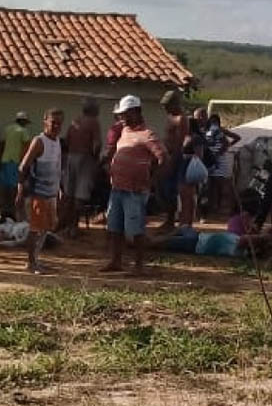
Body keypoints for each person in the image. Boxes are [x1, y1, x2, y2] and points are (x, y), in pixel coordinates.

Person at [102, 95, 165, 274]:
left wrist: (152, 181)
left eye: (124, 114)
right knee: (114, 227)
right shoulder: (124, 132)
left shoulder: (147, 135)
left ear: (135, 112)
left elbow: (162, 158)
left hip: (134, 191)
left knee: (136, 230)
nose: (121, 118)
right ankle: (116, 261)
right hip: (118, 188)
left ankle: (138, 265)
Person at [17, 109, 64, 274]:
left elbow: (57, 167)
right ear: (45, 121)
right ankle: (30, 263)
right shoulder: (39, 141)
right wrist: (20, 190)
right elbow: (23, 167)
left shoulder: (57, 141)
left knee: (46, 228)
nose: (56, 126)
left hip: (51, 194)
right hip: (38, 194)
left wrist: (59, 188)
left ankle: (36, 259)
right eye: (53, 122)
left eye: (59, 123)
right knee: (35, 229)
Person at [63, 100, 102, 237]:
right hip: (85, 158)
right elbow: (97, 144)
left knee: (69, 194)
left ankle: (67, 226)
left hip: (70, 157)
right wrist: (95, 159)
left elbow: (66, 141)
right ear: (93, 110)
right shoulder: (93, 122)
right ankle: (74, 228)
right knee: (80, 195)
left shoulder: (75, 121)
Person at [160, 90, 191, 231]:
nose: (165, 108)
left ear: (175, 104)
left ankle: (172, 221)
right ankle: (169, 219)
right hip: (167, 155)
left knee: (172, 190)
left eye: (168, 105)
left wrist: (172, 161)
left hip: (175, 157)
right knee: (166, 190)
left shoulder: (181, 119)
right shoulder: (169, 117)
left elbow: (180, 142)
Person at [204, 113, 242, 216]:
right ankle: (215, 209)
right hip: (213, 160)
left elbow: (233, 139)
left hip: (218, 160)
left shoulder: (216, 129)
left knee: (223, 184)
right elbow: (235, 138)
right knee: (214, 185)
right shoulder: (211, 130)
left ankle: (231, 209)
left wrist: (220, 151)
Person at [0, 112, 32, 218]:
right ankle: (13, 212)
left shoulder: (8, 129)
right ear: (22, 121)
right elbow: (28, 146)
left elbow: (3, 144)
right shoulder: (23, 131)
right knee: (15, 187)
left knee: (6, 187)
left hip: (5, 160)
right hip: (15, 161)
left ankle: (5, 210)